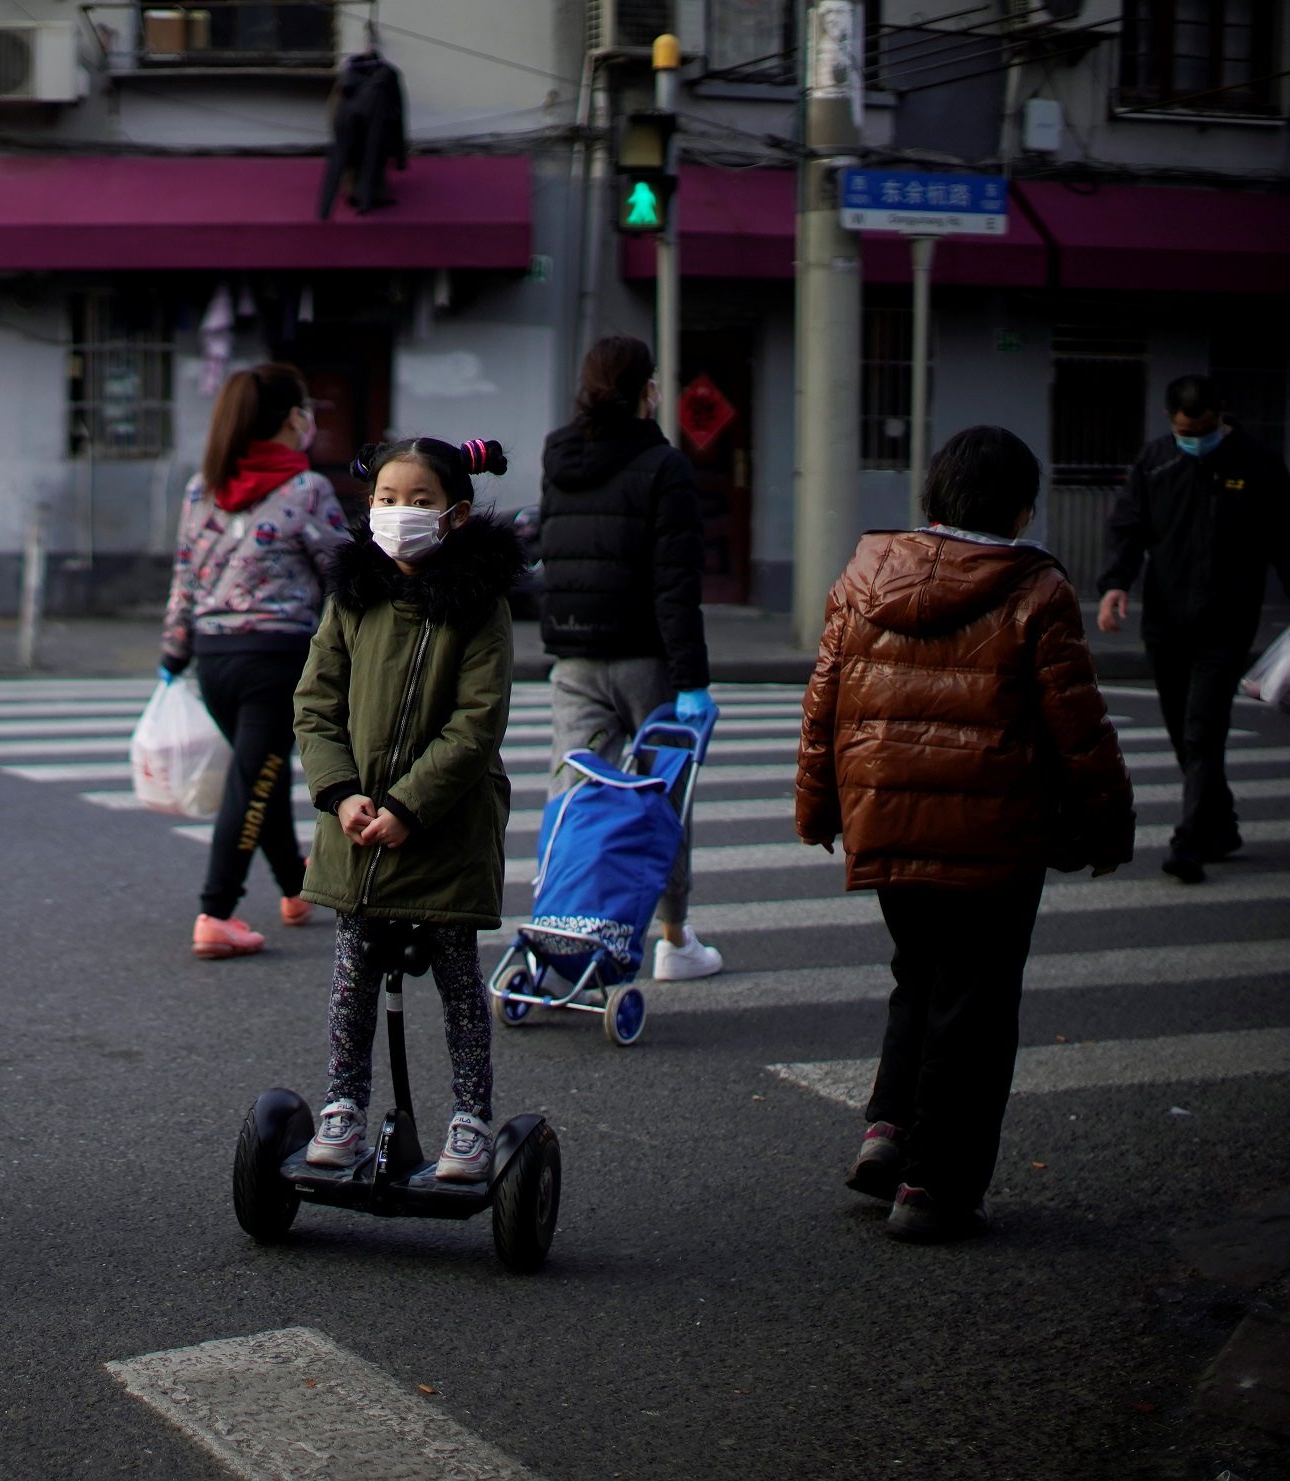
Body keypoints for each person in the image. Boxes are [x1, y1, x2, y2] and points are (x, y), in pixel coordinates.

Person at [797, 426, 1135, 1244]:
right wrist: (1107, 824)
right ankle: (936, 1187)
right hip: (993, 838)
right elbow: (1078, 725)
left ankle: (888, 1131)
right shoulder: (1037, 589)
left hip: (886, 824)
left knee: (919, 975)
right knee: (974, 1007)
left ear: (932, 498)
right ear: (1021, 510)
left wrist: (818, 808)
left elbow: (823, 703)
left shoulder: (865, 573)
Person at [293, 436, 521, 1183]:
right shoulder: (352, 597)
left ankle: (470, 1120)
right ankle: (341, 1108)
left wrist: (408, 807)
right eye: (388, 500)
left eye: (419, 501)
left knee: (458, 982)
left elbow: (476, 723)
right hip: (357, 829)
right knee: (352, 978)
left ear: (455, 513)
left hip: (444, 830)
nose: (400, 513)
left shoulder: (480, 605)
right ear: (369, 506)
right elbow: (315, 703)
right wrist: (341, 794)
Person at [537, 335, 722, 983]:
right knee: (661, 797)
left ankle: (558, 930)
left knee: (572, 796)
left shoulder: (559, 456)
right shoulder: (664, 466)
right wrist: (693, 681)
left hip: (573, 657)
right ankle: (674, 939)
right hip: (645, 659)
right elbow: (676, 585)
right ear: (646, 390)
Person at [160, 364, 350, 960]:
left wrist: (173, 652)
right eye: (306, 409)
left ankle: (295, 888)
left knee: (258, 772)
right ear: (293, 418)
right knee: (254, 778)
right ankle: (216, 913)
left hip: (212, 659)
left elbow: (185, 575)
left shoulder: (204, 486)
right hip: (275, 659)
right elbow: (345, 572)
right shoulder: (307, 488)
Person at [1097, 374, 1290, 884]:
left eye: (1204, 430)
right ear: (1170, 422)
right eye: (1186, 432)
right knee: (1184, 732)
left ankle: (1189, 842)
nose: (1196, 440)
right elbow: (1128, 528)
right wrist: (1114, 585)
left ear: (1221, 416)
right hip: (1166, 622)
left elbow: (1285, 539)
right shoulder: (1156, 461)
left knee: (1203, 729)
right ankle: (1220, 825)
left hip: (1227, 623)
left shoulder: (1259, 465)